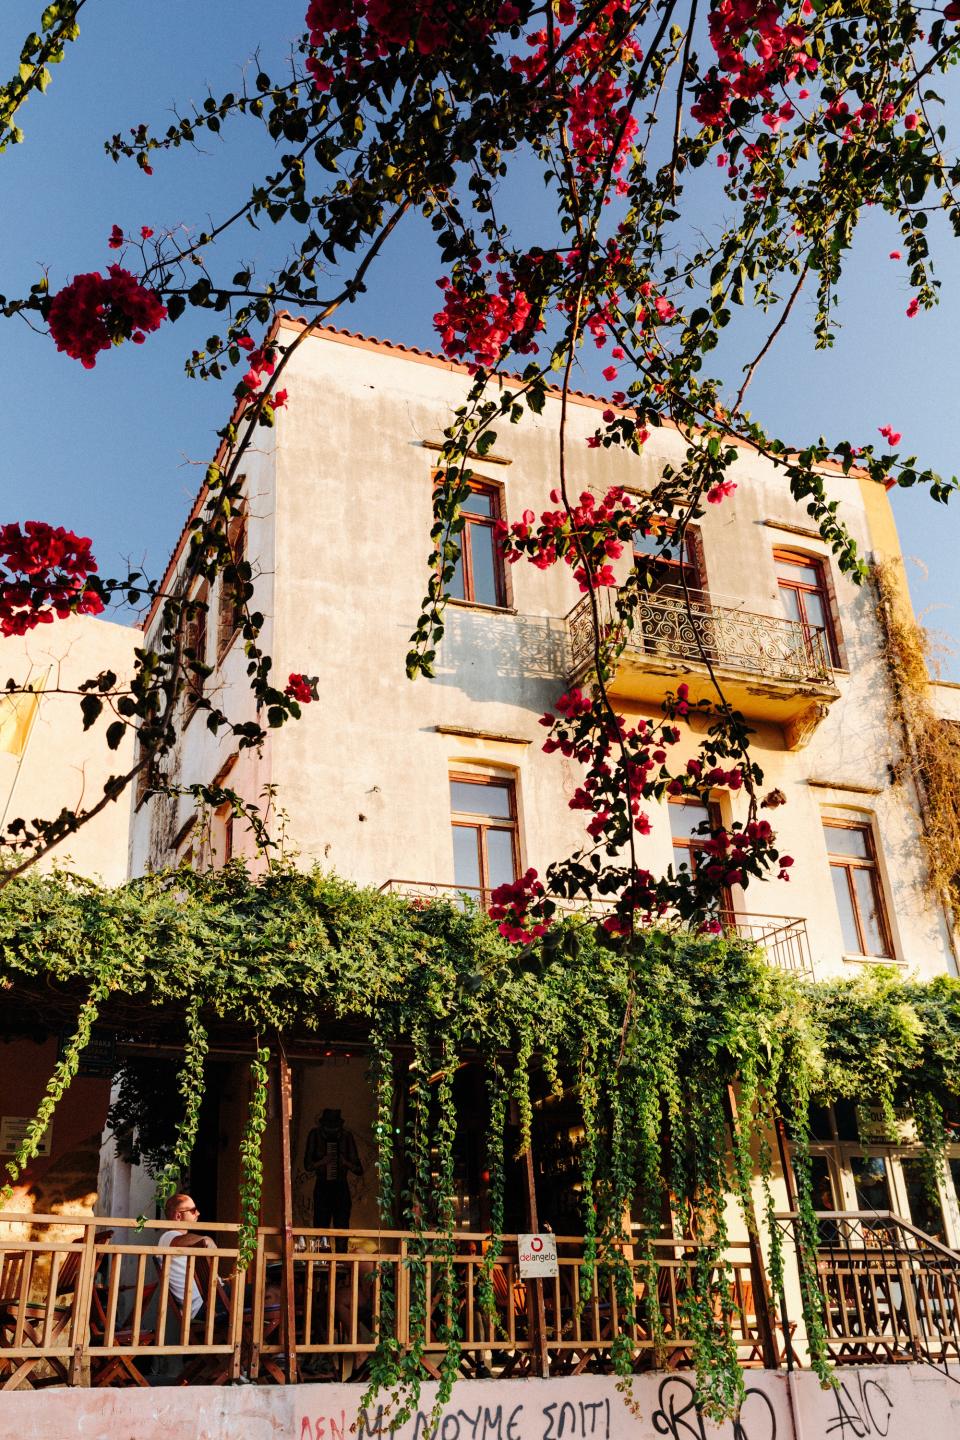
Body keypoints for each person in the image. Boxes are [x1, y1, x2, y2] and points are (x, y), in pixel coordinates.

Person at [304, 1109, 362, 1249]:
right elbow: (308, 1165)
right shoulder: (315, 1135)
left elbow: (359, 1169)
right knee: (321, 1226)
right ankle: (322, 1264)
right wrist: (322, 1162)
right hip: (323, 1186)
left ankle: (341, 1262)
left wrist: (345, 1163)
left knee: (342, 1227)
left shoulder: (346, 1136)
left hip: (341, 1187)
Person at [157, 1192, 216, 1318]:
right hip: (204, 1305)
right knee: (260, 1291)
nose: (198, 1213)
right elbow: (181, 1241)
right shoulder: (168, 1237)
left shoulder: (177, 1242)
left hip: (209, 1301)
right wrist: (207, 1240)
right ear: (178, 1216)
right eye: (193, 1210)